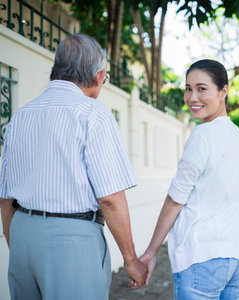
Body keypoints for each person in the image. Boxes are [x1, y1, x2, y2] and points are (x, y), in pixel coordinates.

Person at [0, 33, 147, 300]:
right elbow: (111, 198)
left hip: (21, 234)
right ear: (99, 75)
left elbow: (5, 199)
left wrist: (20, 247)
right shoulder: (93, 113)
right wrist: (131, 260)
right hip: (71, 241)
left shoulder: (21, 116)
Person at [133, 59, 239, 299]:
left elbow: (176, 199)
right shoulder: (238, 137)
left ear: (223, 91)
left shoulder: (204, 134)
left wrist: (151, 251)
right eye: (188, 89)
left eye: (202, 89)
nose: (192, 97)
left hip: (203, 259)